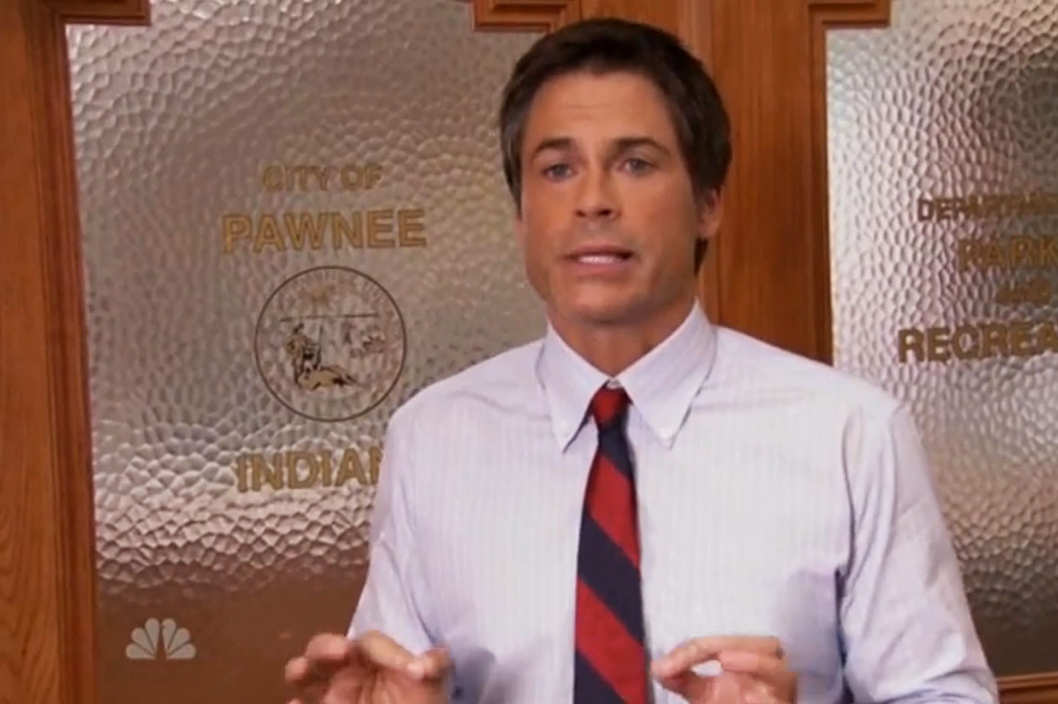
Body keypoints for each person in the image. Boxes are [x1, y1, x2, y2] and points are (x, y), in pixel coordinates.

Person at [285, 17, 997, 704]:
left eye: (635, 163)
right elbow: (392, 680)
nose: (593, 201)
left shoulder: (851, 434)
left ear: (708, 203)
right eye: (558, 169)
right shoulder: (431, 439)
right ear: (521, 214)